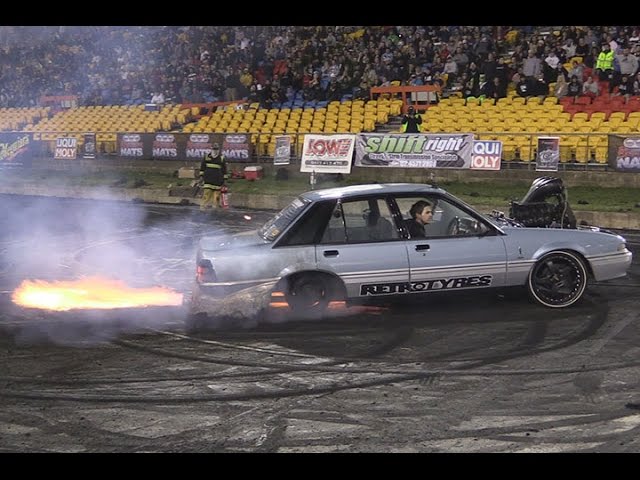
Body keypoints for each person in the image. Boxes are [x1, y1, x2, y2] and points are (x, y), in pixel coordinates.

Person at [199, 143, 227, 211]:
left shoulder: (221, 158)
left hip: (217, 179)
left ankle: (214, 209)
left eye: (216, 149)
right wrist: (201, 177)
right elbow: (202, 167)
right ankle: (203, 208)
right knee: (206, 194)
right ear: (211, 149)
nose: (215, 150)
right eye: (214, 149)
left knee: (216, 196)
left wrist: (225, 179)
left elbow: (224, 170)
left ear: (218, 150)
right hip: (208, 178)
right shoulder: (206, 157)